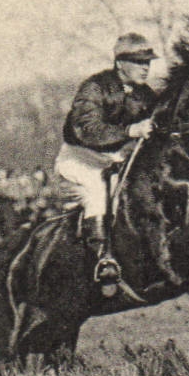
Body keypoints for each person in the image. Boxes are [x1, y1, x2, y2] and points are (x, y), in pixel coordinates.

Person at [57, 32, 159, 287]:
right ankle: (104, 260)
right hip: (81, 161)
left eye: (148, 62)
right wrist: (129, 132)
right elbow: (87, 129)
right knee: (98, 194)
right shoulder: (94, 88)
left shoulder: (145, 95)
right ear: (120, 63)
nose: (145, 67)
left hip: (115, 163)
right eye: (138, 62)